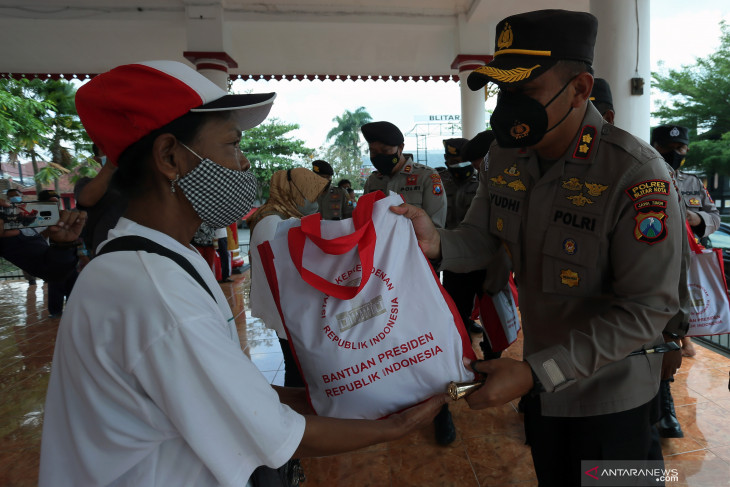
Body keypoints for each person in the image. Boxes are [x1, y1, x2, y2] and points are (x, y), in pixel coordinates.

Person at [38, 60, 445, 487]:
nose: (244, 163)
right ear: (170, 156)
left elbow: (235, 395)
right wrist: (397, 426)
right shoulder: (155, 291)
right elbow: (273, 434)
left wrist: (344, 391)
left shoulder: (157, 257)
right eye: (232, 145)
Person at [392, 10, 684, 485]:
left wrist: (534, 372)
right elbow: (483, 237)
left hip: (613, 401)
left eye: (524, 93)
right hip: (545, 390)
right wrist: (437, 241)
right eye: (502, 93)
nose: (508, 109)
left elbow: (647, 309)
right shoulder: (507, 155)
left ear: (580, 89)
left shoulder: (634, 173)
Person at [248, 167, 329, 388]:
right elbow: (282, 272)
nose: (314, 204)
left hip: (290, 307)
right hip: (287, 310)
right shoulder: (272, 222)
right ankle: (299, 415)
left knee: (300, 367)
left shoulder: (282, 215)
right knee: (297, 369)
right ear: (293, 192)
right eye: (310, 196)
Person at [439, 138, 485, 338]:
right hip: (453, 256)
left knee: (489, 305)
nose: (458, 165)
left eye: (462, 160)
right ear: (446, 160)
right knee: (456, 302)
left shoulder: (484, 179)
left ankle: (490, 354)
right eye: (452, 160)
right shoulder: (438, 182)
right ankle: (461, 339)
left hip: (482, 254)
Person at [361, 121, 447, 228]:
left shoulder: (426, 177)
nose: (380, 156)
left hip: (416, 244)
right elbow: (364, 220)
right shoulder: (372, 181)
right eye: (373, 152)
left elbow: (436, 227)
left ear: (400, 148)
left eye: (385, 150)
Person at [74, 143, 128, 256]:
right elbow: (86, 200)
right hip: (105, 251)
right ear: (97, 160)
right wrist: (110, 166)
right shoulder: (86, 183)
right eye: (106, 150)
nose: (113, 153)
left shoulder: (140, 182)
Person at [38, 189, 79, 318]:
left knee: (73, 284)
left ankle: (72, 311)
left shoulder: (65, 216)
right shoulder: (34, 219)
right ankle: (55, 312)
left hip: (70, 255)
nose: (54, 206)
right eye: (50, 203)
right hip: (51, 257)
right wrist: (48, 232)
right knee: (56, 285)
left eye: (56, 202)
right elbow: (33, 241)